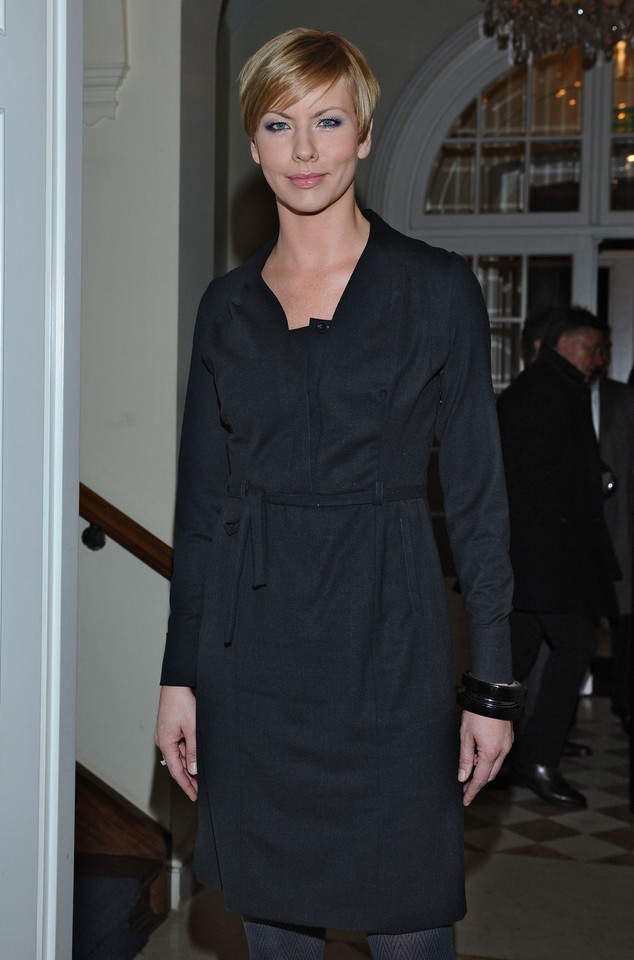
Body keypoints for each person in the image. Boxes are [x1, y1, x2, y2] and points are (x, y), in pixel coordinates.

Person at [155, 28, 520, 960]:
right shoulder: (225, 307)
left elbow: (479, 502)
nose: (305, 149)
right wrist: (179, 676)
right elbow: (199, 513)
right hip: (251, 661)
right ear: (253, 143)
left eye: (328, 121)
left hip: (390, 650)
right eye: (280, 125)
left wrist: (491, 685)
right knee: (275, 933)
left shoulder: (435, 289)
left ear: (364, 134)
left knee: (409, 926)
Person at [497, 306, 620, 809]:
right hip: (548, 559)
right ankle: (537, 757)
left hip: (533, 559)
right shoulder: (547, 390)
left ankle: (499, 754)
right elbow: (544, 482)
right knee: (573, 648)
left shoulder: (546, 386)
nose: (598, 359)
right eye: (592, 348)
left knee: (509, 659)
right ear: (564, 343)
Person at [592, 333, 634, 732]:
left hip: (622, 530)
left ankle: (624, 704)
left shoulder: (622, 397)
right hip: (580, 534)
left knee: (625, 629)